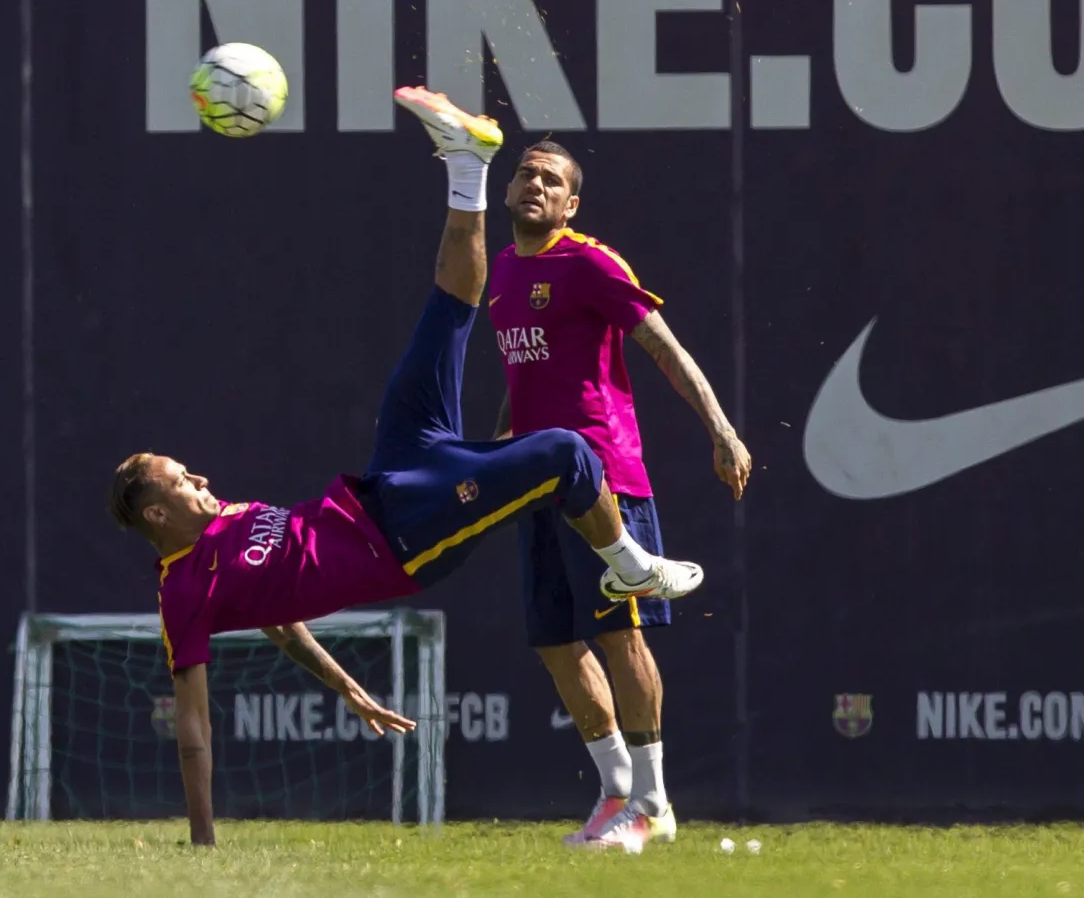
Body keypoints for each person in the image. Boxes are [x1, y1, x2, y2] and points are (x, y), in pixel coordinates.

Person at [106, 88, 705, 848]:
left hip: (389, 475)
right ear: (155, 514)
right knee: (566, 450)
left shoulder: (221, 527)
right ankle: (633, 565)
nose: (196, 477)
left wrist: (347, 685)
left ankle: (466, 165)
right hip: (406, 539)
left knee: (446, 310)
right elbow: (193, 724)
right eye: (178, 479)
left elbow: (282, 621)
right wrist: (201, 840)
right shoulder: (183, 591)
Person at [488, 139, 753, 850]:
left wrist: (722, 430)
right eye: (525, 173)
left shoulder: (591, 262)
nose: (533, 184)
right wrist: (489, 463)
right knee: (552, 641)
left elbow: (665, 348)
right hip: (533, 483)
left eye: (550, 179)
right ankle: (615, 794)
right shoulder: (503, 272)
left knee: (616, 633)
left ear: (570, 204)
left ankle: (655, 801)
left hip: (603, 482)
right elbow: (524, 389)